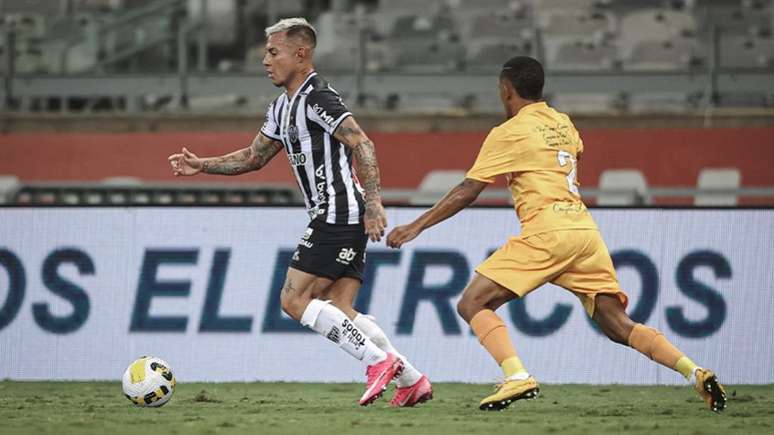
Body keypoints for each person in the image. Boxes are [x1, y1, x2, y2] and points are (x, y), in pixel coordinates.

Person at [386, 56, 726, 412]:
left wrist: (415, 225)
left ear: (506, 90)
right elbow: (574, 152)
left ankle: (517, 376)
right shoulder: (563, 122)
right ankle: (695, 372)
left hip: (547, 231)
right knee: (616, 323)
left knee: (472, 303)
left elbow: (468, 190)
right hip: (583, 230)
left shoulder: (509, 132)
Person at [168, 17, 431, 407]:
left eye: (274, 52)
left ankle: (378, 362)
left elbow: (363, 144)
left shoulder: (318, 98)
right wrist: (202, 164)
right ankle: (411, 380)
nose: (265, 60)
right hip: (338, 214)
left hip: (338, 212)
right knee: (341, 309)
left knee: (293, 301)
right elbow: (253, 157)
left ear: (300, 54)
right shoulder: (282, 107)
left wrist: (375, 203)